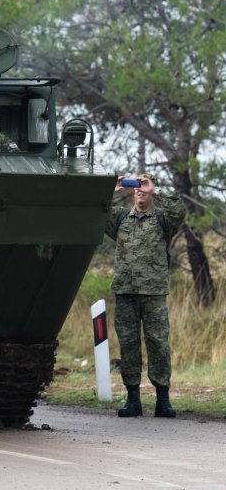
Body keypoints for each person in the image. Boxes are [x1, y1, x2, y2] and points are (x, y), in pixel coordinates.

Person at [105, 174, 186, 418]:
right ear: (131, 192)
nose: (140, 191)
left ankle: (163, 400)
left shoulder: (162, 218)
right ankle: (133, 400)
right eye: (137, 188)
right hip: (126, 291)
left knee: (158, 343)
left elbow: (179, 211)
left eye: (144, 187)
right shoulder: (120, 216)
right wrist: (110, 190)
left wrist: (155, 191)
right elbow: (96, 212)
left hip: (153, 292)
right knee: (128, 345)